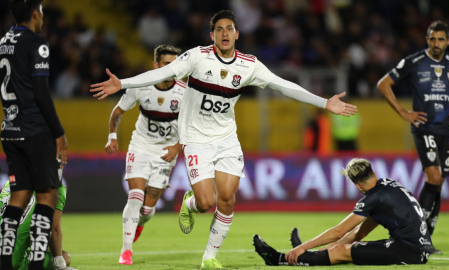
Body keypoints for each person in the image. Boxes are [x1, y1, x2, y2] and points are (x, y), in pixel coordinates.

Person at [91, 10, 357, 270]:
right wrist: (123, 84)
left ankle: (209, 258)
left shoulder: (249, 65)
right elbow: (162, 73)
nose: (225, 33)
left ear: (237, 34)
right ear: (212, 35)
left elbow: (283, 84)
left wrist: (324, 102)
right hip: (196, 139)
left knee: (227, 199)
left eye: (229, 28)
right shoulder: (197, 57)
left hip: (227, 139)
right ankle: (190, 203)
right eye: (219, 29)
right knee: (206, 203)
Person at [376, 21, 449, 254]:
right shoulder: (414, 62)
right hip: (424, 127)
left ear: (448, 41)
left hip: (448, 129)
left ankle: (426, 238)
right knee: (434, 175)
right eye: (432, 38)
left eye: (441, 39)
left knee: (439, 183)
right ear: (427, 39)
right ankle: (418, 234)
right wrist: (402, 111)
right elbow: (383, 84)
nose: (436, 43)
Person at [253, 158, 433, 266]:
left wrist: (303, 246)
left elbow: (339, 231)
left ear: (356, 185)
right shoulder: (387, 186)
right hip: (415, 248)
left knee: (340, 251)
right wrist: (322, 249)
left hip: (408, 252)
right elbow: (359, 232)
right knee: (341, 249)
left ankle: (277, 260)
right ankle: (308, 256)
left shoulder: (373, 197)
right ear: (373, 172)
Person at [0, 1, 68, 269]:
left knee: (18, 197)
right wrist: (59, 133)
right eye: (41, 13)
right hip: (34, 131)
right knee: (47, 195)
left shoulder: (3, 41)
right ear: (35, 14)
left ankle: (4, 263)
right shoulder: (36, 43)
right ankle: (37, 265)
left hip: (10, 128)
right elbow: (41, 92)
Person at [104, 44, 185, 265]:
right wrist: (112, 136)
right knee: (135, 196)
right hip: (140, 146)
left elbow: (192, 127)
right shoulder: (142, 84)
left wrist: (177, 148)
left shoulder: (185, 92)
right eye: (167, 64)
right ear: (156, 65)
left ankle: (139, 222)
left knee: (147, 210)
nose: (172, 68)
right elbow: (118, 111)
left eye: (176, 64)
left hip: (166, 152)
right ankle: (126, 250)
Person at [0, 182, 77, 270]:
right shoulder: (55, 187)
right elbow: (54, 229)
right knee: (64, 257)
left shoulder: (11, 181)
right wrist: (60, 265)